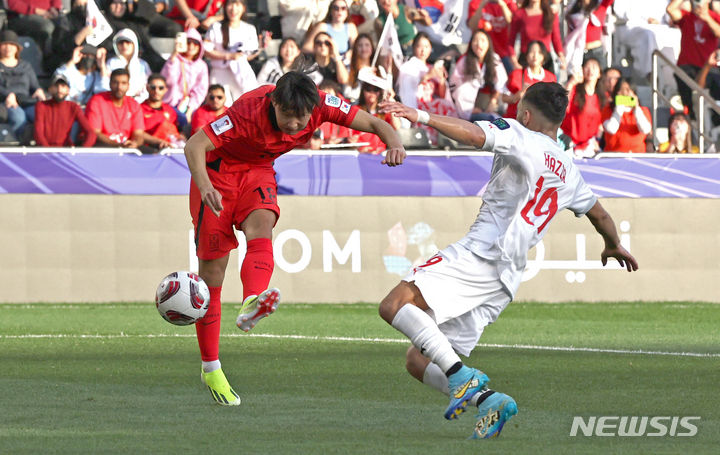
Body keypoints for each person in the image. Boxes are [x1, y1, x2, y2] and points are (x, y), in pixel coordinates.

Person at [377, 81, 638, 440]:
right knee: (417, 359)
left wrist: (420, 115)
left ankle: (462, 379)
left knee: (394, 304)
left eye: (519, 108)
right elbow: (601, 216)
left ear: (527, 115)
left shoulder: (520, 134)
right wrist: (613, 245)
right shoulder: (568, 168)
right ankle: (490, 401)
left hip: (481, 254)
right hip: (506, 279)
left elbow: (471, 134)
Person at [182, 70, 406, 406]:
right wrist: (205, 187)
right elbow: (194, 144)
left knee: (262, 227)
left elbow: (377, 124)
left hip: (257, 171)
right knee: (213, 275)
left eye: (302, 116)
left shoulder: (317, 105)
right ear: (274, 103)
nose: (296, 123)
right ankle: (211, 367)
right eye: (288, 115)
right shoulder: (246, 113)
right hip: (217, 174)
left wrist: (396, 143)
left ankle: (251, 302)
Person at [397, 32, 458, 144]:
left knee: (445, 105)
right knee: (441, 105)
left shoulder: (433, 67)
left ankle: (447, 139)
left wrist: (441, 80)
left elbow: (442, 94)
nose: (423, 50)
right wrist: (428, 76)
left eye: (426, 46)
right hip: (417, 103)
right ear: (414, 47)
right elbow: (408, 89)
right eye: (419, 46)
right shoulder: (408, 66)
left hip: (433, 102)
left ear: (430, 49)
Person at [667, 0, 720, 118]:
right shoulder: (687, 16)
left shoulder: (715, 17)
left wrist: (707, 18)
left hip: (709, 69)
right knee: (692, 108)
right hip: (687, 67)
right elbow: (670, 10)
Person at [204, 0, 263, 104]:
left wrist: (261, 48)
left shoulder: (249, 29)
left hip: (241, 73)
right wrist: (229, 56)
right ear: (225, 7)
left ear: (243, 8)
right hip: (219, 72)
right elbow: (206, 50)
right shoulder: (216, 27)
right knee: (221, 109)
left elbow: (247, 56)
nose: (233, 9)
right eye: (230, 4)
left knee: (244, 106)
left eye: (237, 5)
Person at [449, 29, 507, 121]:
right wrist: (469, 109)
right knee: (488, 119)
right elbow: (456, 87)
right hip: (466, 106)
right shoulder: (464, 61)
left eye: (483, 40)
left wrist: (493, 101)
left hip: (489, 101)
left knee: (497, 120)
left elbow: (501, 83)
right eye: (475, 40)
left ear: (488, 43)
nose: (479, 44)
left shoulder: (495, 59)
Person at [86, 68, 146, 150]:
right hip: (103, 147)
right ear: (110, 84)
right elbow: (95, 133)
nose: (119, 87)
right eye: (115, 83)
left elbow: (139, 134)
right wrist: (118, 146)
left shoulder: (134, 104)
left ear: (128, 86)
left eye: (123, 83)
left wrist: (134, 143)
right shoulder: (97, 101)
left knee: (152, 154)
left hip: (126, 147)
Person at [0, 30, 45, 139]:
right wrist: (8, 95)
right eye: (5, 44)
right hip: (7, 102)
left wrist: (39, 90)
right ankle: (20, 144)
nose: (8, 48)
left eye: (12, 44)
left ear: (17, 48)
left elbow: (34, 85)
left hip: (26, 100)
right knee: (19, 117)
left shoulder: (26, 66)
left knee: (40, 115)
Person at [34, 74, 97, 147]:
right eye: (56, 86)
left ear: (68, 90)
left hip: (66, 151)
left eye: (63, 86)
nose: (59, 90)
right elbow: (38, 134)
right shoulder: (41, 106)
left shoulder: (73, 107)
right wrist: (49, 152)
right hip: (45, 152)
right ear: (50, 89)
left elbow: (91, 133)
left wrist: (82, 152)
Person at [161, 27, 208, 121]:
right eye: (188, 42)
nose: (191, 46)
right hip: (170, 105)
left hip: (189, 108)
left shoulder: (202, 66)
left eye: (195, 43)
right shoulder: (175, 60)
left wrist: (190, 109)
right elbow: (167, 81)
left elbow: (201, 90)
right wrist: (174, 54)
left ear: (200, 46)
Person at [502, 40, 557, 119]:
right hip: (516, 121)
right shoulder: (516, 74)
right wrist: (516, 97)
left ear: (544, 56)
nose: (535, 56)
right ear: (526, 55)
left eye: (539, 52)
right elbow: (504, 98)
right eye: (532, 52)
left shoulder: (551, 78)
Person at [509, 0, 566, 74]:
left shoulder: (550, 13)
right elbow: (510, 41)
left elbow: (556, 38)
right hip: (526, 61)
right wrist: (514, 62)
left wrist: (561, 56)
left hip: (545, 61)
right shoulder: (519, 14)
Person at [561, 57, 602, 157]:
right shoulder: (575, 91)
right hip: (570, 145)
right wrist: (571, 82)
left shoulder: (601, 96)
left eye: (594, 67)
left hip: (590, 147)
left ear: (599, 73)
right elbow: (562, 105)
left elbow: (600, 124)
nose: (590, 70)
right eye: (587, 67)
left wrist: (597, 140)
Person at [601, 76, 653, 153]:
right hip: (614, 154)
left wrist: (636, 109)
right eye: (622, 90)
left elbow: (645, 130)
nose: (625, 93)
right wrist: (619, 108)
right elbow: (611, 129)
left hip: (637, 154)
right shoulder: (608, 110)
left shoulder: (643, 110)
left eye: (628, 90)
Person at [467, 0, 518, 75]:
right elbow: (472, 26)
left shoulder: (510, 3)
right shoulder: (475, 2)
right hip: (482, 54)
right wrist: (481, 6)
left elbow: (513, 24)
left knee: (512, 77)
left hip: (504, 53)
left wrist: (503, 5)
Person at [563, 0, 614, 75]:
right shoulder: (573, 9)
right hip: (579, 52)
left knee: (601, 79)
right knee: (577, 78)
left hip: (596, 51)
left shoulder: (600, 6)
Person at [349, 82, 401, 153]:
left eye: (376, 90)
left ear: (380, 92)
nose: (372, 93)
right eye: (368, 89)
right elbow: (350, 137)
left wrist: (391, 102)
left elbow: (397, 127)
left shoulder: (385, 111)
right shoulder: (355, 110)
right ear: (363, 91)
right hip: (360, 154)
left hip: (379, 155)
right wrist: (354, 142)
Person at [141, 74, 185, 151]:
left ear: (165, 90)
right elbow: (138, 134)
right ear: (147, 88)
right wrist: (158, 142)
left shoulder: (171, 111)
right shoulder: (139, 109)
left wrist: (181, 137)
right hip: (148, 150)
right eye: (153, 87)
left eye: (160, 88)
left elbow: (176, 132)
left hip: (171, 149)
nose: (156, 91)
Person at [106, 28, 152, 101]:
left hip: (139, 102)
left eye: (128, 42)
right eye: (121, 43)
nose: (124, 45)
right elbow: (107, 83)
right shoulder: (111, 62)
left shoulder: (143, 64)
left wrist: (138, 100)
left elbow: (149, 85)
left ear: (134, 44)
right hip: (116, 101)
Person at [344, 34, 377, 102]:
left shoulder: (378, 70)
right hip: (353, 104)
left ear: (372, 48)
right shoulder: (348, 67)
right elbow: (347, 91)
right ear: (355, 49)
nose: (364, 49)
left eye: (367, 45)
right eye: (360, 45)